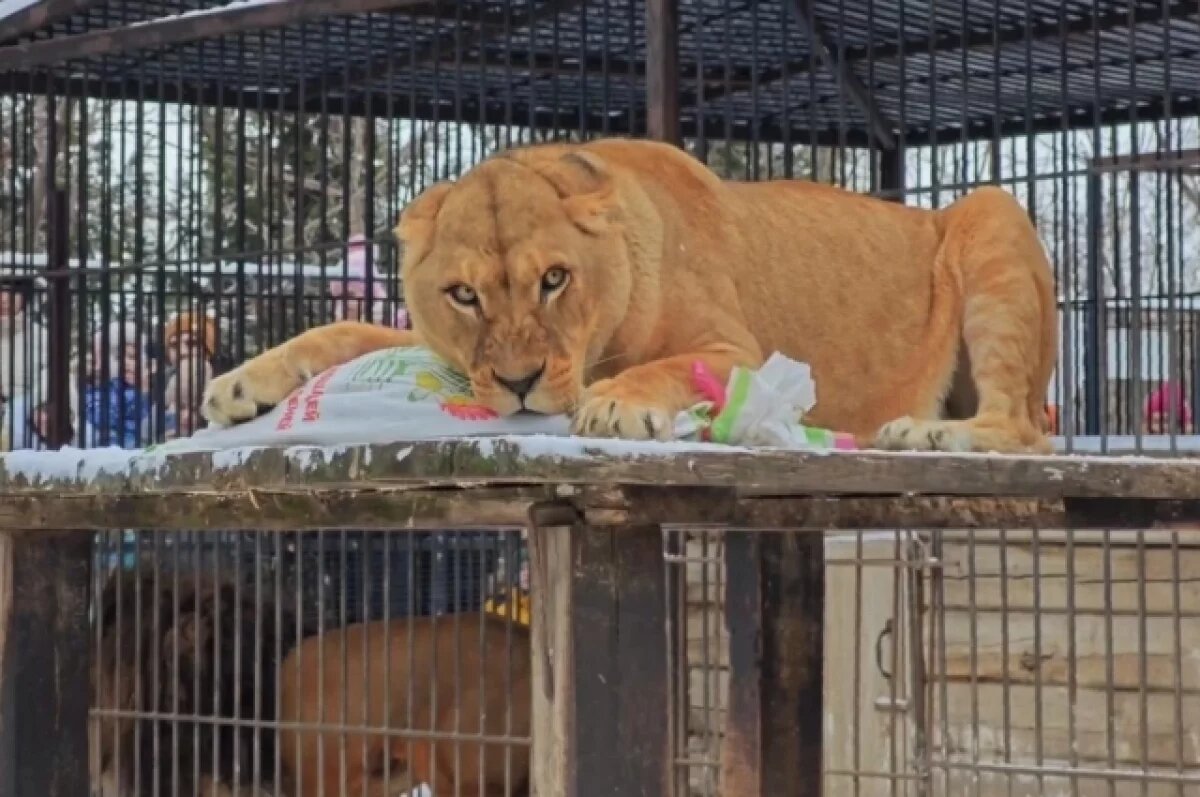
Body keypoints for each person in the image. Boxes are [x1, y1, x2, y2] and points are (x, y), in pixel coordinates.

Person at [82, 321, 155, 449]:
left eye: (133, 357)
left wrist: (143, 393)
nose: (126, 363)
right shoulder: (98, 388)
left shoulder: (144, 388)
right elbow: (102, 417)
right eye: (118, 357)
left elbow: (145, 420)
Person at [163, 311, 218, 439]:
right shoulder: (155, 382)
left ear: (208, 349)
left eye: (192, 344)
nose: (182, 352)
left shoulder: (222, 382)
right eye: (174, 345)